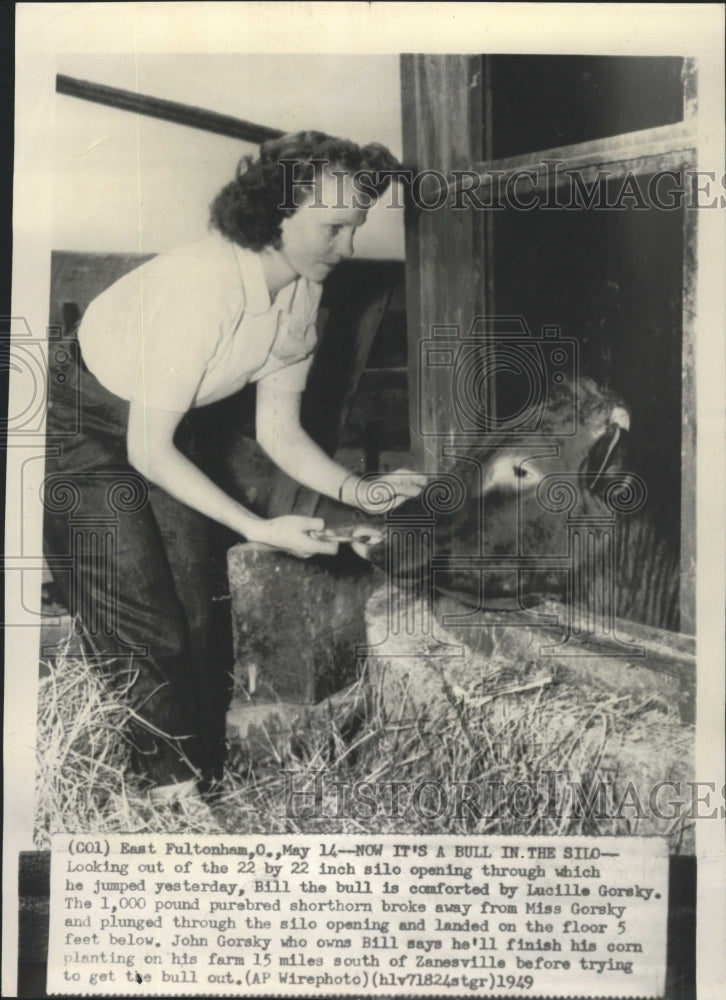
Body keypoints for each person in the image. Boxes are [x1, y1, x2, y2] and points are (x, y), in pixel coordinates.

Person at [43, 130, 425, 808]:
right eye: (333, 227)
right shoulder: (205, 287)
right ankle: (168, 797)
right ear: (275, 214)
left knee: (200, 608)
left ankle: (201, 777)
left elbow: (279, 429)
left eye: (356, 228)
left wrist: (360, 489)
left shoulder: (302, 295)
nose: (348, 248)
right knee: (145, 615)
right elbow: (147, 450)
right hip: (77, 423)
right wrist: (259, 525)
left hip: (157, 426)